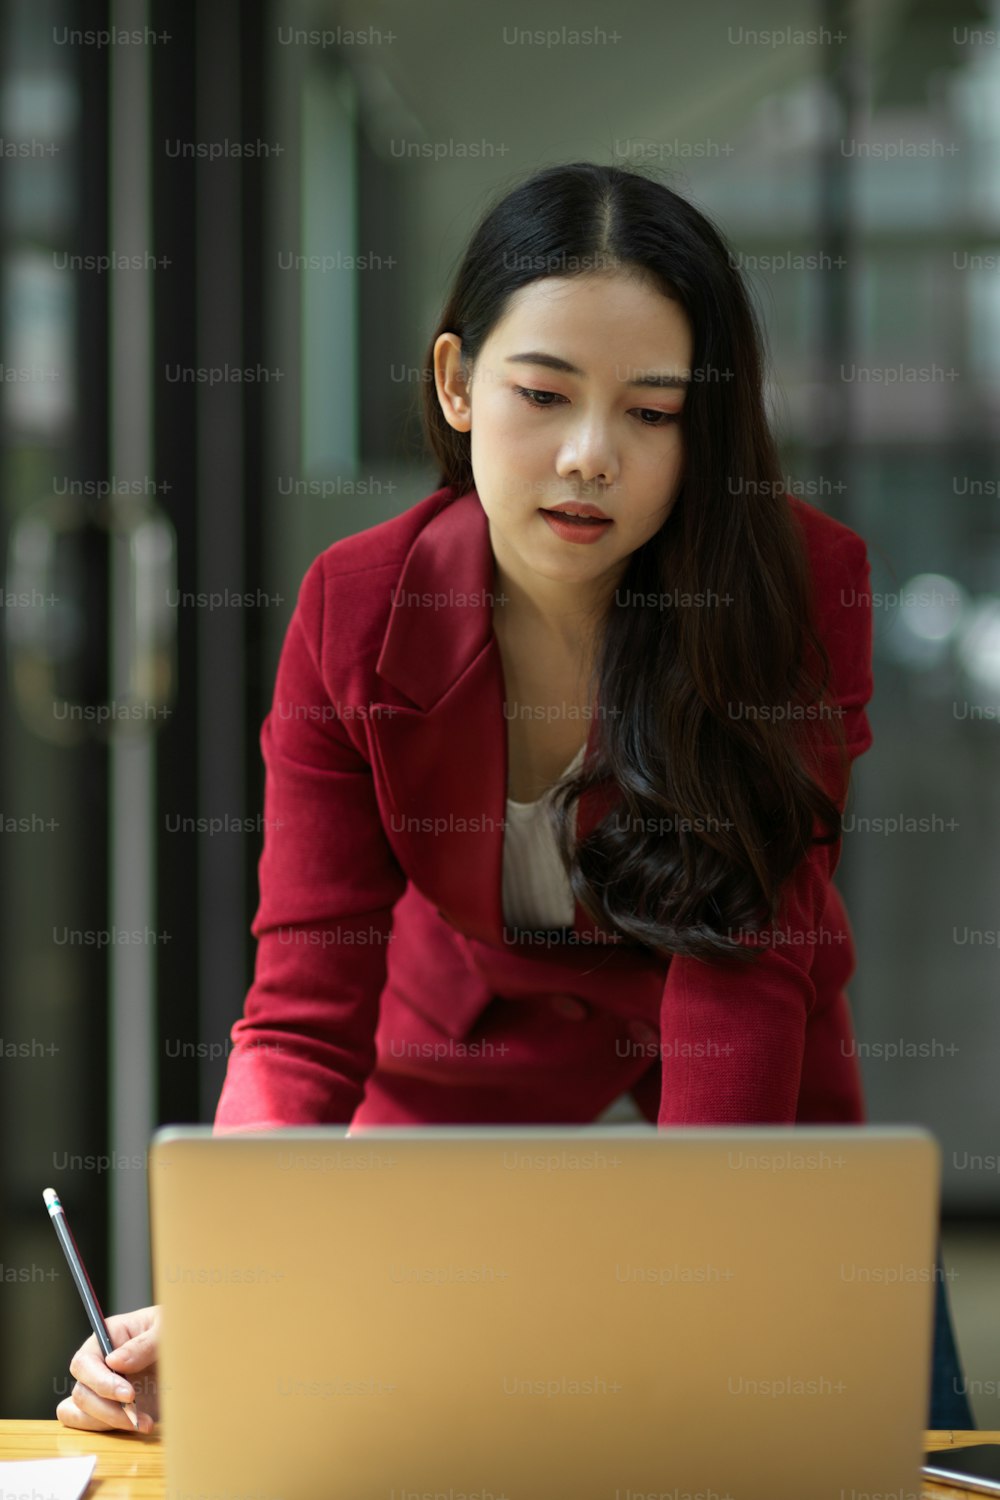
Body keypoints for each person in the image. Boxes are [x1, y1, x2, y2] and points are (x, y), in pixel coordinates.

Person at [55, 160, 974, 1433]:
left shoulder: (797, 594)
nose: (590, 456)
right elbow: (303, 1010)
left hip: (743, 1083)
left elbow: (741, 967)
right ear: (455, 385)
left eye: (653, 414)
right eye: (542, 395)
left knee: (824, 1420)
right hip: (454, 1065)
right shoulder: (358, 609)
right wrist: (237, 1289)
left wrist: (708, 1291)